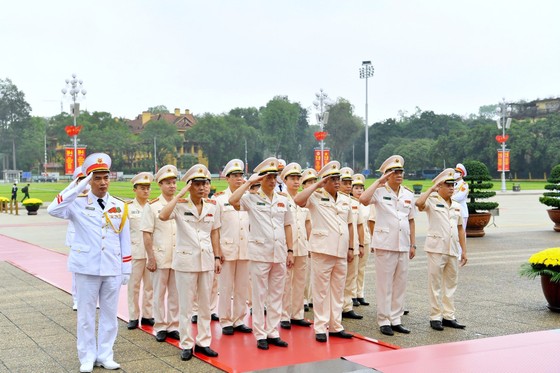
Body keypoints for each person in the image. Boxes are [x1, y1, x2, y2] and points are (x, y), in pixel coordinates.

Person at [47, 153, 131, 373]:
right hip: (87, 267)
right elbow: (53, 209)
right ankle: (86, 356)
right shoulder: (77, 203)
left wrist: (126, 268)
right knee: (85, 315)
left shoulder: (119, 206)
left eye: (106, 177)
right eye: (97, 178)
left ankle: (105, 354)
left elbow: (125, 239)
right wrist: (78, 185)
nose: (102, 182)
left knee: (110, 316)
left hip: (111, 267)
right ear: (89, 180)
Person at [229, 157, 294, 351]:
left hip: (280, 252)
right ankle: (260, 333)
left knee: (276, 295)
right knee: (259, 296)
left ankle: (273, 332)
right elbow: (233, 200)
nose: (272, 181)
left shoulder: (283, 201)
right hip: (260, 253)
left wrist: (290, 250)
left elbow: (288, 226)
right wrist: (250, 182)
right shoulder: (251, 198)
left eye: (274, 177)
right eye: (268, 178)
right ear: (261, 179)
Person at [159, 164, 222, 360]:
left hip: (206, 260)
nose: (202, 187)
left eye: (205, 183)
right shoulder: (179, 205)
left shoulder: (212, 205)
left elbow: (215, 232)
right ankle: (186, 344)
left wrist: (218, 257)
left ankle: (204, 342)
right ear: (189, 186)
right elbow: (163, 215)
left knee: (205, 306)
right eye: (197, 184)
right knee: (186, 306)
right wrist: (180, 194)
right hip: (186, 261)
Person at [294, 161, 355, 343]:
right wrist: (317, 184)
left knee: (337, 290)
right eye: (332, 179)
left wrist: (351, 247)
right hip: (322, 250)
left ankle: (336, 325)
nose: (337, 182)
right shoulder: (316, 196)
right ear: (325, 181)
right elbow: (298, 200)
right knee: (320, 292)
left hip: (341, 251)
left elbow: (349, 225)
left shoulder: (345, 199)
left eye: (338, 179)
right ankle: (320, 326)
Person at [359, 155, 416, 337]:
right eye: (394, 172)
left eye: (400, 172)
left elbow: (411, 220)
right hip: (385, 244)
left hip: (403, 244)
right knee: (385, 285)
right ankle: (384, 320)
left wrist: (413, 244)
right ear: (387, 175)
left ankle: (396, 318)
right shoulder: (379, 191)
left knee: (400, 283)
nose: (399, 175)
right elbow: (363, 199)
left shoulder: (408, 194)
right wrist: (378, 182)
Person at [415, 168, 468, 331]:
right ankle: (435, 317)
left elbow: (460, 229)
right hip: (436, 249)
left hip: (452, 249)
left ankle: (448, 316)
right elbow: (418, 203)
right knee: (435, 284)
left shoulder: (457, 206)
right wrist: (431, 189)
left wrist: (464, 251)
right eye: (447, 185)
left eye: (453, 185)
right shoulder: (432, 200)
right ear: (440, 186)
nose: (452, 188)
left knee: (451, 284)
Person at [212, 159, 253, 336]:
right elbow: (215, 228)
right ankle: (226, 320)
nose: (238, 179)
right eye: (234, 176)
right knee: (226, 287)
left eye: (240, 175)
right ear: (227, 178)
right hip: (226, 249)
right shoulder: (219, 200)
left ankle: (238, 319)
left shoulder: (248, 198)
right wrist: (217, 252)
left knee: (242, 287)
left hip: (245, 249)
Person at [141, 165, 180, 343]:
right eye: (168, 183)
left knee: (175, 293)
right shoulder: (153, 206)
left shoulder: (180, 204)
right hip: (160, 255)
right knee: (159, 293)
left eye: (174, 183)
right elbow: (147, 233)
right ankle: (160, 326)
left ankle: (173, 326)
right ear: (160, 185)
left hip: (178, 256)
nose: (172, 186)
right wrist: (150, 257)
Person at [279, 162, 312, 329]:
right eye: (292, 178)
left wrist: (309, 243)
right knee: (286, 282)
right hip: (287, 246)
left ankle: (297, 314)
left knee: (300, 281)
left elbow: (308, 224)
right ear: (285, 180)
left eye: (298, 178)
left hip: (302, 245)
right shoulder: (280, 198)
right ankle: (284, 315)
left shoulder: (303, 199)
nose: (297, 181)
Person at [126, 172, 155, 330]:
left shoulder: (153, 206)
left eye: (148, 188)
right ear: (135, 189)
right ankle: (133, 316)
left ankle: (147, 315)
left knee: (150, 286)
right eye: (142, 188)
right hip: (135, 252)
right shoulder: (128, 208)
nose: (146, 191)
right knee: (134, 286)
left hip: (150, 253)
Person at [339, 167, 364, 320]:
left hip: (353, 245)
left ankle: (347, 306)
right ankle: (336, 306)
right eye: (345, 183)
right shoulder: (334, 200)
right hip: (338, 245)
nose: (348, 186)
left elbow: (360, 225)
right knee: (338, 279)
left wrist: (361, 244)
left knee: (351, 277)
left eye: (350, 183)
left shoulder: (354, 202)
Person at [64, 166, 87, 311]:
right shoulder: (71, 197)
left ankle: (91, 299)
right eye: (80, 180)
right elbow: (58, 205)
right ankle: (77, 299)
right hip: (76, 241)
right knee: (77, 272)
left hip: (91, 240)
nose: (84, 183)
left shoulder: (94, 197)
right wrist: (72, 188)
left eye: (86, 180)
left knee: (91, 272)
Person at [352, 173, 372, 307]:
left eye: (361, 188)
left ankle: (360, 294)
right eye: (356, 188)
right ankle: (352, 295)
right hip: (353, 239)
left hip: (365, 238)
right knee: (353, 269)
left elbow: (370, 222)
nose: (359, 190)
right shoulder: (348, 202)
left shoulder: (367, 204)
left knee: (362, 268)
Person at [301, 168, 318, 312]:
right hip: (303, 242)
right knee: (304, 274)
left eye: (314, 181)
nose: (312, 184)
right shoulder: (303, 200)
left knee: (315, 273)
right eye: (309, 182)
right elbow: (306, 225)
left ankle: (311, 298)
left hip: (319, 241)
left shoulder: (321, 198)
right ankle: (304, 299)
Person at [452, 163, 469, 246]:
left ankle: (461, 252)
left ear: (461, 174)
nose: (455, 173)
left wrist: (448, 198)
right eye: (455, 171)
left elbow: (459, 197)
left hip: (462, 212)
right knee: (454, 233)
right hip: (454, 211)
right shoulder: (453, 184)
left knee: (461, 233)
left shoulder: (464, 185)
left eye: (457, 172)